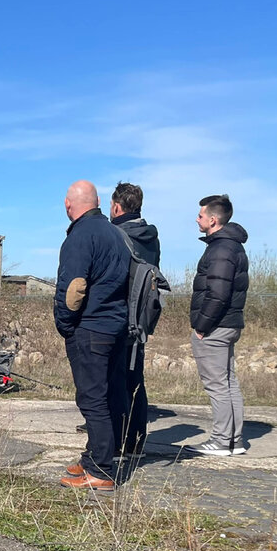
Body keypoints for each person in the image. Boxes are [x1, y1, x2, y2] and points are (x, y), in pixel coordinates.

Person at [54, 180, 130, 491]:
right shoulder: (116, 233)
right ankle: (94, 456)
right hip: (116, 327)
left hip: (90, 327)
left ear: (68, 205)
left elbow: (74, 289)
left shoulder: (80, 236)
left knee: (92, 399)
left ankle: (101, 469)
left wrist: (65, 324)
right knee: (108, 395)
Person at [186, 194, 249, 456]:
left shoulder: (221, 249)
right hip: (228, 324)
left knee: (218, 385)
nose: (197, 219)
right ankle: (233, 440)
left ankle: (223, 441)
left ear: (213, 220)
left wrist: (202, 326)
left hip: (216, 326)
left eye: (200, 215)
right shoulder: (232, 246)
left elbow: (218, 293)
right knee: (228, 381)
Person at [109, 181, 161, 462]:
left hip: (118, 314)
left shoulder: (115, 234)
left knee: (114, 381)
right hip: (142, 317)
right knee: (135, 380)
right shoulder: (152, 237)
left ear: (116, 207)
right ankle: (136, 441)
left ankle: (115, 443)